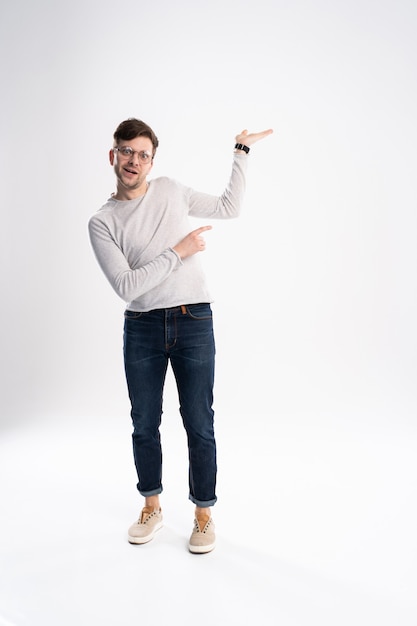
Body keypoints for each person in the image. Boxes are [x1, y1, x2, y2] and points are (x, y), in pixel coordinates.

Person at [88, 118, 273, 553]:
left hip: (194, 321)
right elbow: (128, 286)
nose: (133, 161)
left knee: (199, 421)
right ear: (112, 155)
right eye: (126, 151)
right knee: (144, 423)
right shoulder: (102, 222)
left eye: (142, 154)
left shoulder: (170, 189)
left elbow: (229, 207)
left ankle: (203, 514)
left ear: (153, 161)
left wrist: (241, 152)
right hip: (143, 328)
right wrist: (180, 251)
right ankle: (152, 506)